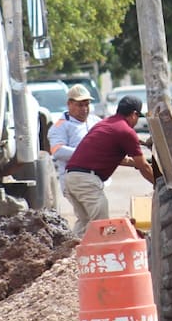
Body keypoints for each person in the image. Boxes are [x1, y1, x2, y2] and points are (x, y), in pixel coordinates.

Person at [62, 95, 155, 236]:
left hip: (71, 177)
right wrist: (158, 184)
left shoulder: (105, 124)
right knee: (101, 225)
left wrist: (136, 163)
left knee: (84, 222)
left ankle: (74, 248)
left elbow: (115, 158)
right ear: (134, 114)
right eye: (137, 117)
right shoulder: (126, 131)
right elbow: (143, 166)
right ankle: (100, 250)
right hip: (86, 181)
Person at [47, 83, 99, 191]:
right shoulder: (60, 126)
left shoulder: (94, 121)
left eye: (87, 104)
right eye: (80, 105)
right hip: (74, 182)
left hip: (95, 179)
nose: (84, 109)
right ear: (69, 104)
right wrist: (86, 154)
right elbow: (57, 150)